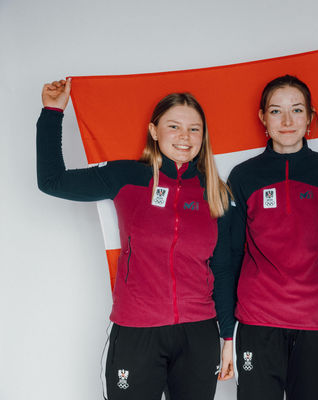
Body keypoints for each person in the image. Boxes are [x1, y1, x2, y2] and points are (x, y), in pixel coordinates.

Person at [36, 80, 235, 400]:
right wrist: (52, 112)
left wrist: (227, 337)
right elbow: (52, 181)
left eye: (194, 129)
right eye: (174, 126)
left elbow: (223, 270)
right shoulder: (127, 177)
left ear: (203, 136)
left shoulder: (215, 193)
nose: (185, 136)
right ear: (154, 131)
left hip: (198, 335)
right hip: (136, 332)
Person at [228, 75, 318, 400]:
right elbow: (230, 255)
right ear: (263, 118)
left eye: (297, 110)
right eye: (276, 111)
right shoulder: (243, 176)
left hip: (316, 324)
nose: (288, 121)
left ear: (310, 116)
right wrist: (225, 327)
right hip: (257, 322)